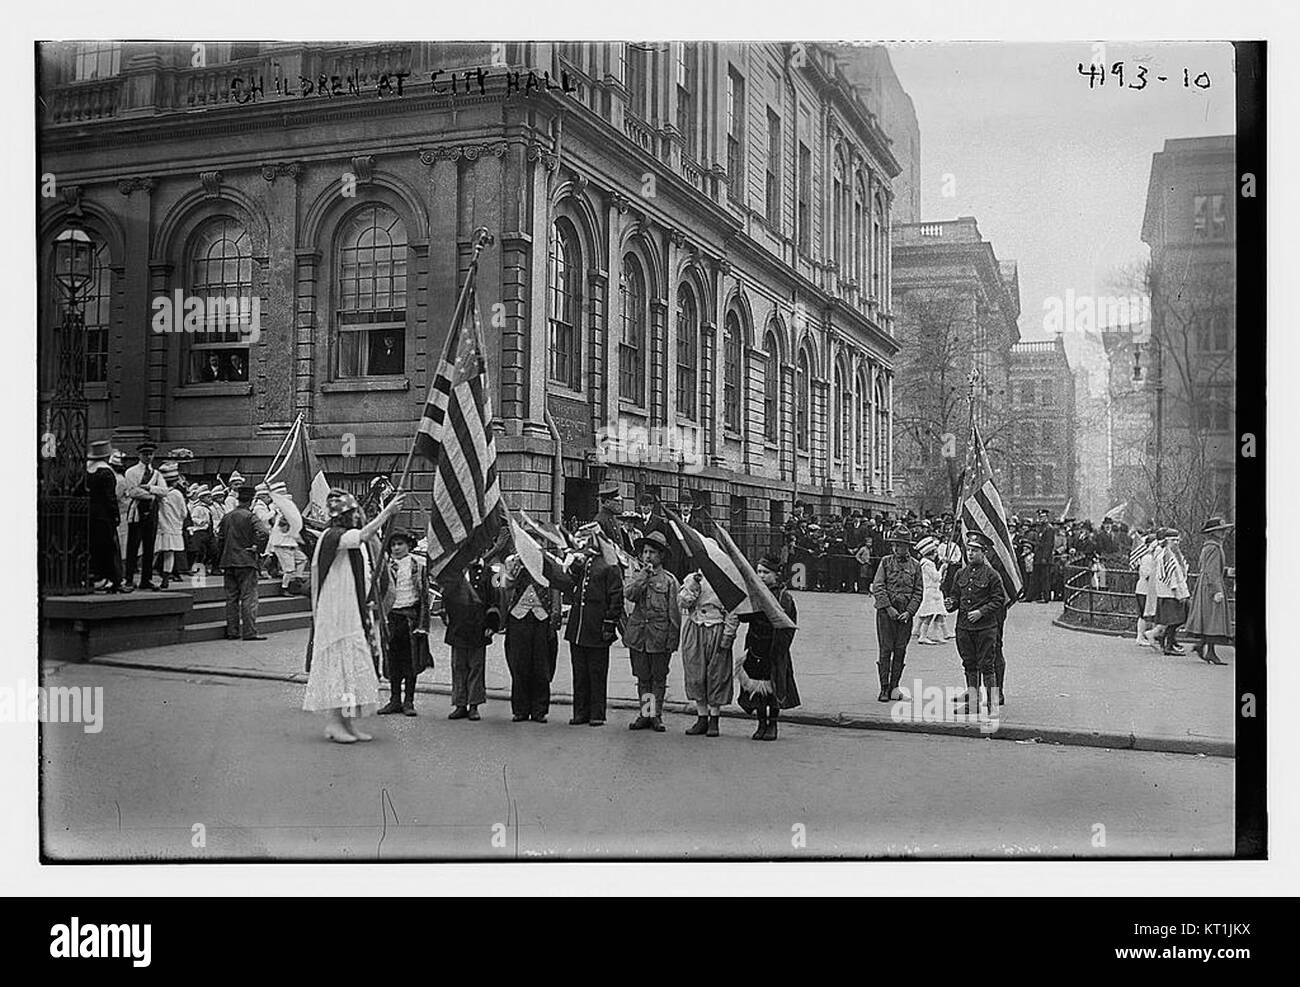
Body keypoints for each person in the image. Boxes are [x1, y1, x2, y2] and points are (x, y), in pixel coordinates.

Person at [304, 489, 405, 744]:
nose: (358, 516)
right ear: (345, 516)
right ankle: (335, 722)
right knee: (340, 670)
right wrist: (387, 511)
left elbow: (364, 569)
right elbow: (362, 535)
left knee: (350, 672)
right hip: (337, 613)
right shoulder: (333, 536)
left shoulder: (346, 540)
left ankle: (347, 723)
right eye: (354, 513)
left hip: (351, 610)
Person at [564, 522, 623, 727]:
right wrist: (573, 564)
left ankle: (597, 713)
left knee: (596, 673)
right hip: (579, 627)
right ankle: (580, 712)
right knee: (580, 674)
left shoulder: (609, 564)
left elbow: (616, 597)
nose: (585, 542)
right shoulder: (582, 562)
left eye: (589, 538)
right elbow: (569, 585)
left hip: (597, 626)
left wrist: (609, 624)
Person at [501, 548, 570, 723]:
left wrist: (556, 613)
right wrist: (515, 567)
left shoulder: (548, 562)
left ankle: (539, 710)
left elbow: (556, 588)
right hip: (519, 618)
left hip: (542, 618)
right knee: (519, 665)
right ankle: (520, 710)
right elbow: (505, 584)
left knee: (541, 666)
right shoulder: (513, 561)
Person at [945, 532, 1009, 718]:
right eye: (969, 550)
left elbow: (999, 600)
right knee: (969, 665)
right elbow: (955, 595)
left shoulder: (992, 575)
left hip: (985, 628)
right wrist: (951, 603)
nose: (971, 554)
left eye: (975, 550)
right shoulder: (960, 573)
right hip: (964, 628)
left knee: (987, 666)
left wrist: (981, 612)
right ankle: (972, 704)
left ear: (984, 553)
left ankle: (992, 706)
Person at [623, 530, 681, 733]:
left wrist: (672, 640)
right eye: (645, 552)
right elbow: (629, 595)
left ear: (661, 556)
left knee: (658, 678)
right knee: (643, 677)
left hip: (659, 636)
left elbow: (674, 614)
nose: (648, 556)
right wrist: (643, 577)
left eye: (653, 552)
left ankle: (655, 715)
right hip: (639, 636)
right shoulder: (637, 576)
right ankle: (645, 714)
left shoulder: (670, 581)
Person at [736, 556, 799, 741]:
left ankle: (773, 724)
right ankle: (761, 722)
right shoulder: (754, 594)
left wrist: (780, 649)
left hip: (774, 648)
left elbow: (788, 626)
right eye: (759, 571)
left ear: (776, 575)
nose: (761, 575)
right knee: (757, 689)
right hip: (756, 646)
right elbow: (744, 618)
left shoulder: (784, 597)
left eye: (766, 572)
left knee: (774, 688)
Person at [679, 563, 740, 737]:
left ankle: (714, 719)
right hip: (695, 627)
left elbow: (733, 610)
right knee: (696, 673)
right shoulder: (692, 578)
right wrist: (693, 585)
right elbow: (683, 602)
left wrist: (728, 635)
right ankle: (701, 717)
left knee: (717, 674)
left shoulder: (725, 581)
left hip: (716, 628)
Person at [377, 530, 433, 716]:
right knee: (393, 661)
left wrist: (423, 625)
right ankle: (394, 700)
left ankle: (409, 701)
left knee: (411, 662)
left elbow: (424, 597)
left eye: (400, 544)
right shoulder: (384, 566)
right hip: (391, 617)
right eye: (393, 545)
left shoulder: (418, 566)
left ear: (408, 546)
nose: (396, 548)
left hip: (411, 618)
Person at [870, 524, 923, 702]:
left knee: (900, 650)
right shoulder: (885, 562)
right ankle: (884, 688)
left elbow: (918, 592)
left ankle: (894, 687)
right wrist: (888, 607)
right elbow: (878, 586)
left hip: (904, 616)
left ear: (907, 546)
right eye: (894, 545)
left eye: (900, 545)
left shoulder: (916, 565)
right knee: (885, 650)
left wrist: (909, 612)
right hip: (886, 614)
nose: (896, 548)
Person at [443, 558, 496, 721]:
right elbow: (446, 595)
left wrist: (492, 623)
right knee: (458, 666)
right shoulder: (455, 572)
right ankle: (460, 704)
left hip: (479, 626)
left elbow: (496, 597)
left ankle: (474, 705)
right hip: (458, 625)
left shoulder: (493, 572)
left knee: (476, 666)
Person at [216, 485, 271, 641]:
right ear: (251, 500)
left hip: (228, 561)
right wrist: (256, 548)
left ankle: (232, 632)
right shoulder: (250, 516)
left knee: (231, 598)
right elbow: (264, 532)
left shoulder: (227, 516)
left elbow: (220, 540)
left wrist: (222, 557)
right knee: (249, 598)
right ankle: (249, 632)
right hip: (246, 561)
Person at [1186, 517, 1234, 665]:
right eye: (1220, 530)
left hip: (1206, 585)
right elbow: (1211, 571)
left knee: (1209, 619)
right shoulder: (1214, 548)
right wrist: (1216, 590)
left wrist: (1226, 571)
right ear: (1213, 533)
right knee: (1213, 619)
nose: (1224, 532)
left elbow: (1210, 568)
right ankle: (1208, 650)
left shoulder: (1209, 546)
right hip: (1211, 586)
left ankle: (1205, 647)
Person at [123, 440, 168, 590]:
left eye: (150, 454)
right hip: (137, 511)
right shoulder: (131, 472)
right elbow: (133, 492)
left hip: (152, 512)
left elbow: (164, 491)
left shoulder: (156, 474)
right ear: (139, 455)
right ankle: (129, 578)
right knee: (133, 546)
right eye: (145, 454)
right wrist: (152, 494)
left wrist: (149, 487)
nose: (148, 457)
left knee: (150, 547)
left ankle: (146, 579)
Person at [86, 440, 128, 594]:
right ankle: (114, 580)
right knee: (110, 548)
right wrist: (115, 516)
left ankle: (96, 577)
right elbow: (110, 498)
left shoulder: (88, 471)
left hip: (89, 514)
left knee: (94, 548)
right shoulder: (106, 472)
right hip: (104, 516)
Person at [1153, 528, 1191, 655]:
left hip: (1176, 592)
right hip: (1170, 593)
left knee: (1179, 619)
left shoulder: (1174, 554)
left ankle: (1166, 639)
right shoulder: (1166, 555)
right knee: (1175, 620)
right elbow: (1171, 578)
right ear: (1167, 540)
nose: (1176, 542)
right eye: (1173, 540)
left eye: (1177, 540)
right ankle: (1168, 644)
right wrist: (1177, 594)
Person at [154, 462, 188, 589]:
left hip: (160, 527)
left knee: (155, 552)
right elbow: (184, 513)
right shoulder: (178, 494)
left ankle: (146, 575)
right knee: (169, 553)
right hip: (174, 527)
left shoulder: (158, 494)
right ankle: (166, 579)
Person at [914, 535, 946, 644]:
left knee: (935, 613)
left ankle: (933, 634)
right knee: (929, 614)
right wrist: (942, 569)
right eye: (933, 553)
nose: (935, 555)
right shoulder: (928, 564)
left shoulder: (925, 563)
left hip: (932, 590)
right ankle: (923, 636)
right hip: (930, 591)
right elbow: (936, 577)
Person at [1133, 533, 1157, 648]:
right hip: (1144, 590)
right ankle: (1140, 636)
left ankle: (1147, 635)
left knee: (1148, 614)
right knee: (1143, 614)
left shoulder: (1152, 557)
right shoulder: (1147, 558)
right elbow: (1147, 573)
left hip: (1148, 590)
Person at [595, 482, 627, 550]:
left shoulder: (613, 517)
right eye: (616, 501)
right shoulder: (600, 520)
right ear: (607, 502)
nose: (619, 504)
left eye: (620, 501)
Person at [1033, 511, 1056, 603]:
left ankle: (1046, 597)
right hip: (1038, 556)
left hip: (1044, 557)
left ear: (1047, 517)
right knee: (1037, 577)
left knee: (1045, 578)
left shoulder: (1049, 528)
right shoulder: (1041, 528)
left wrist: (1045, 557)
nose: (1042, 519)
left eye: (1043, 517)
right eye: (1040, 517)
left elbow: (1048, 545)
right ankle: (1037, 595)